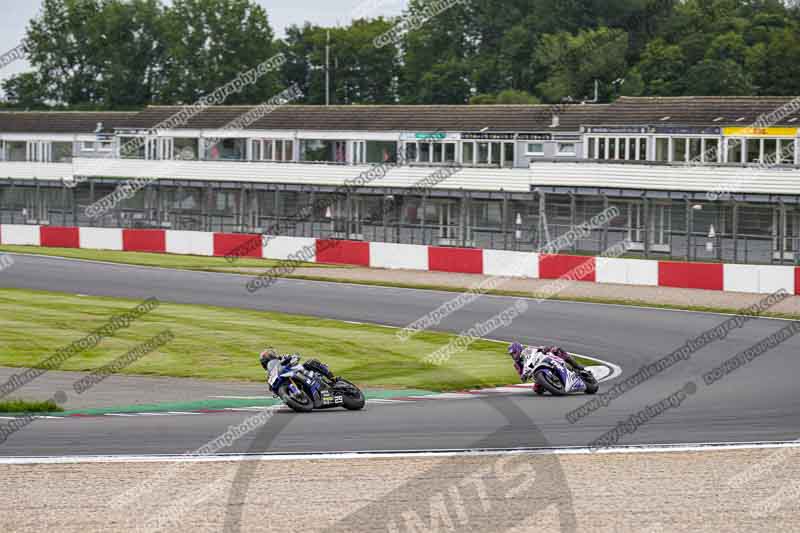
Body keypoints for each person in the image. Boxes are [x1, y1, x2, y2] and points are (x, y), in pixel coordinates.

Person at [507, 342, 588, 393]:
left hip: (546, 359)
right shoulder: (516, 364)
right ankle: (554, 384)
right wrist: (523, 376)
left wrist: (543, 348)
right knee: (537, 390)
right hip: (536, 372)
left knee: (556, 349)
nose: (513, 356)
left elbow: (539, 349)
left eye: (514, 353)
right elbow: (521, 375)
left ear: (519, 349)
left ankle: (576, 365)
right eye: (511, 354)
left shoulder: (527, 350)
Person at [259, 348, 335, 381]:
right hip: (289, 379)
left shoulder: (282, 358)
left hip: (300, 371)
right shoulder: (269, 374)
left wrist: (293, 358)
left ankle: (333, 378)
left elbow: (295, 356)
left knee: (311, 362)